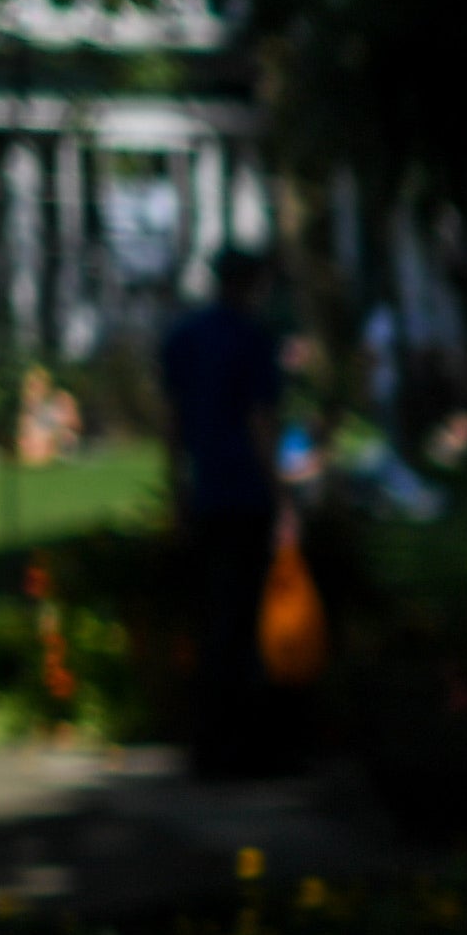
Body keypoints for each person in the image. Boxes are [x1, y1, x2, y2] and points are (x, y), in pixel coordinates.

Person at [157, 250, 292, 774]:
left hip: (205, 490)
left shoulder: (185, 338)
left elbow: (172, 420)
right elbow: (261, 421)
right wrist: (282, 494)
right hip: (245, 491)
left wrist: (175, 488)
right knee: (244, 621)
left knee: (213, 614)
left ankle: (208, 743)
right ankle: (242, 746)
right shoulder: (251, 340)